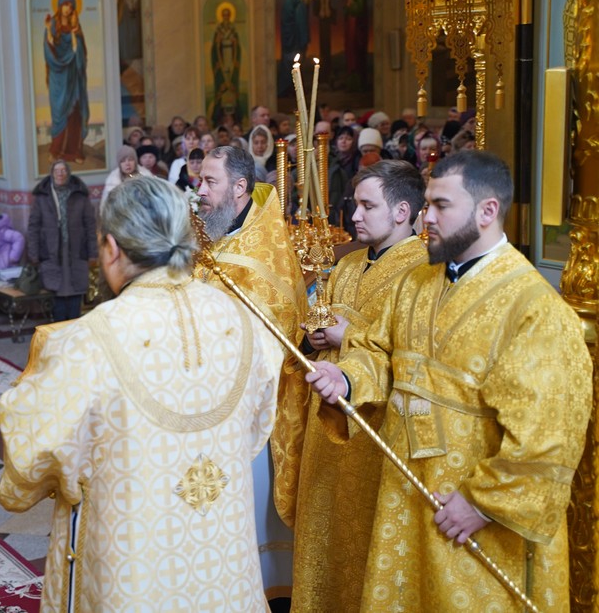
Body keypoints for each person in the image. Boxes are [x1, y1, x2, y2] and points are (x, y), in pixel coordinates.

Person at [305, 150, 591, 611]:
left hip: (471, 516)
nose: (427, 218)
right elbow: (381, 352)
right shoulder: (417, 282)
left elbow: (550, 433)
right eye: (428, 205)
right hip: (405, 496)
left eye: (441, 206)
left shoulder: (533, 307)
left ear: (487, 211)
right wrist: (347, 377)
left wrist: (481, 503)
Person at [0, 177, 284, 611]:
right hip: (223, 557)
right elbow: (258, 428)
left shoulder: (86, 340)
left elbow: (28, 464)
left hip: (130, 568)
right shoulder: (243, 322)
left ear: (112, 248)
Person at [280, 160, 427, 612]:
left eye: (367, 206)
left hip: (372, 431)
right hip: (324, 427)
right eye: (355, 204)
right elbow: (316, 320)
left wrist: (349, 335)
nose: (356, 215)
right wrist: (314, 335)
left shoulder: (423, 271)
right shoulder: (346, 265)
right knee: (322, 538)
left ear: (401, 211)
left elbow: (416, 352)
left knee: (365, 546)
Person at [193, 145, 307, 601]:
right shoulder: (212, 234)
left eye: (210, 181)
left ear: (240, 187)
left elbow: (271, 338)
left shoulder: (263, 250)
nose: (200, 191)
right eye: (199, 180)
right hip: (203, 402)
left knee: (249, 522)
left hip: (251, 415)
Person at [27, 160, 97, 321]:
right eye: (57, 170)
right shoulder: (42, 197)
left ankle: (73, 326)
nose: (60, 173)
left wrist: (93, 252)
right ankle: (59, 328)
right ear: (52, 174)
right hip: (51, 250)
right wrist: (33, 253)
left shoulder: (80, 195)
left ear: (68, 173)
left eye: (63, 170)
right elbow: (33, 227)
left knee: (76, 290)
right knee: (56, 291)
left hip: (76, 250)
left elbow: (90, 224)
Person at [44, 0, 89, 163]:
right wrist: (49, 32)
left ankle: (74, 152)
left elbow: (80, 53)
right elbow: (48, 49)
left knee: (75, 111)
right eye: (65, 5)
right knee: (60, 113)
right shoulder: (52, 25)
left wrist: (75, 37)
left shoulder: (76, 26)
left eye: (71, 6)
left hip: (73, 75)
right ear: (59, 6)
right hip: (58, 75)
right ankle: (55, 151)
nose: (68, 9)